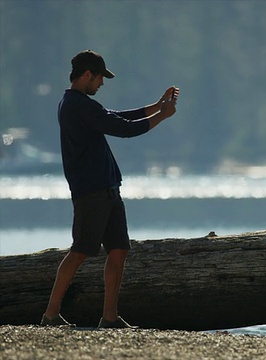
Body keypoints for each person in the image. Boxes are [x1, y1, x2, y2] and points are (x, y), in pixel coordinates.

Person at [40, 50, 179, 328]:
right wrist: (162, 116)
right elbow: (123, 129)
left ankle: (110, 317)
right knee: (80, 251)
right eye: (100, 78)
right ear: (87, 75)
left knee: (118, 250)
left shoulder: (81, 104)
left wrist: (156, 106)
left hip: (108, 188)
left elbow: (114, 117)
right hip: (91, 191)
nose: (102, 84)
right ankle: (51, 314)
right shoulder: (76, 105)